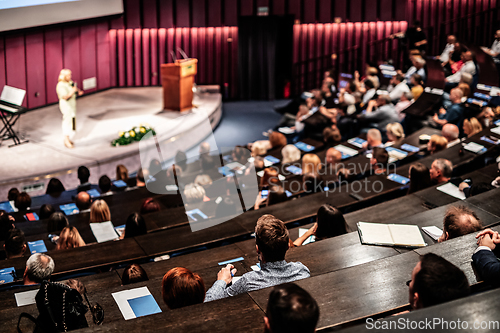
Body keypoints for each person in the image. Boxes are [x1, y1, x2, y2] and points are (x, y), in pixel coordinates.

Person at [204, 214, 310, 302]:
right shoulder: (301, 271)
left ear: (257, 249)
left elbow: (208, 302)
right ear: (287, 247)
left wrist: (221, 281)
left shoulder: (249, 282)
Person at [56, 69, 83, 148]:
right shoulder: (60, 85)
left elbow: (74, 88)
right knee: (67, 121)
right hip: (66, 105)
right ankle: (66, 139)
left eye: (70, 75)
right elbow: (65, 97)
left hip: (72, 104)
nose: (70, 77)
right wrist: (72, 91)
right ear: (63, 76)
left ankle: (69, 137)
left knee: (72, 121)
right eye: (68, 75)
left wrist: (78, 91)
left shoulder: (69, 82)